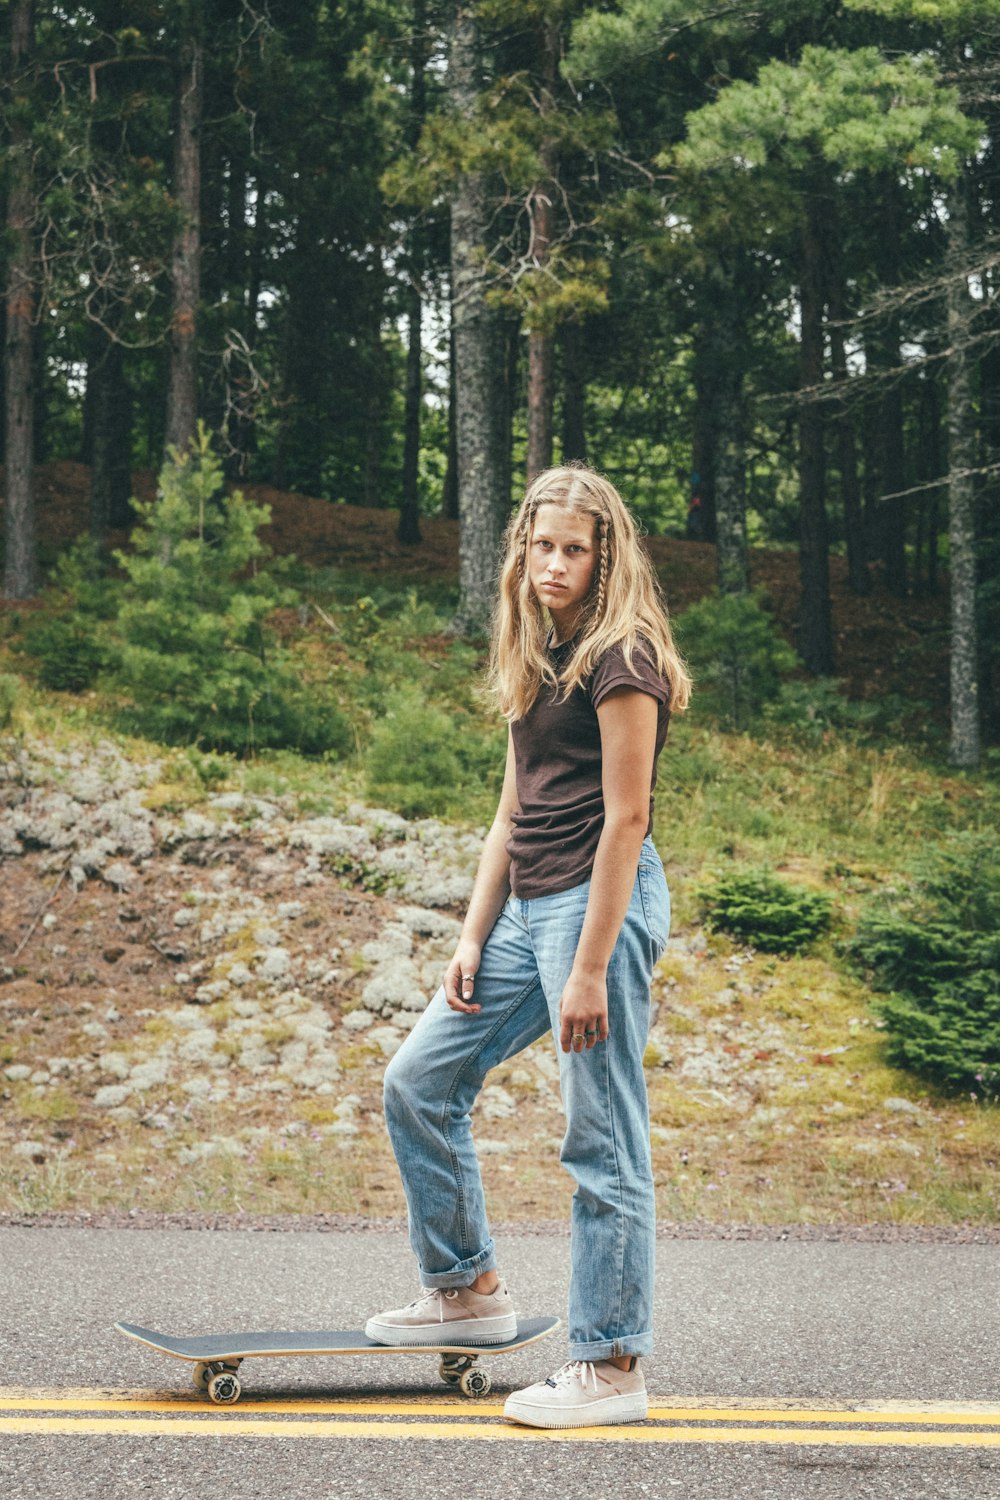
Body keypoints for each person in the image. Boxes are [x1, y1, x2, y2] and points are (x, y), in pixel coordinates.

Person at [366, 464, 691, 1428]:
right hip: (525, 914)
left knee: (601, 1137)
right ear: (521, 550)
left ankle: (613, 1364)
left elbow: (626, 821)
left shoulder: (620, 658)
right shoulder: (539, 653)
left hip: (599, 910)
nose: (555, 564)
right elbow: (514, 807)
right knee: (418, 1081)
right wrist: (472, 933)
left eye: (575, 550)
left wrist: (589, 968)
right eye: (541, 546)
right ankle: (468, 1291)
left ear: (606, 556)